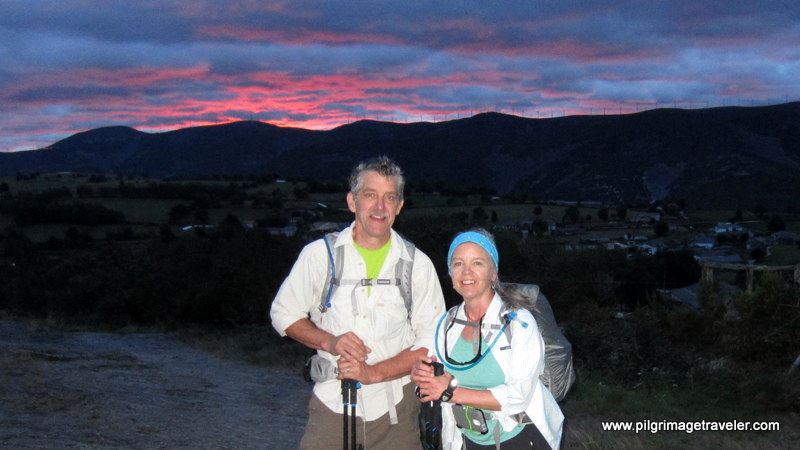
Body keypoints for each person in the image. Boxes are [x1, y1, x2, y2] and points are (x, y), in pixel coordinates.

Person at [271, 156, 445, 449]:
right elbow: (283, 314)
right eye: (370, 195)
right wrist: (330, 342)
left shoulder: (417, 264)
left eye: (389, 197)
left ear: (399, 206)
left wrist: (373, 373)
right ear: (352, 201)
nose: (380, 207)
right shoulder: (320, 256)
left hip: (396, 411)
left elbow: (432, 339)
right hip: (331, 405)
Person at [411, 229, 564, 449]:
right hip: (467, 439)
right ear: (450, 273)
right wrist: (425, 376)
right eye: (458, 264)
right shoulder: (447, 323)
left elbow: (518, 396)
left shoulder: (518, 323)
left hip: (518, 438)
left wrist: (450, 391)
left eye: (477, 263)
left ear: (494, 272)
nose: (466, 272)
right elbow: (440, 379)